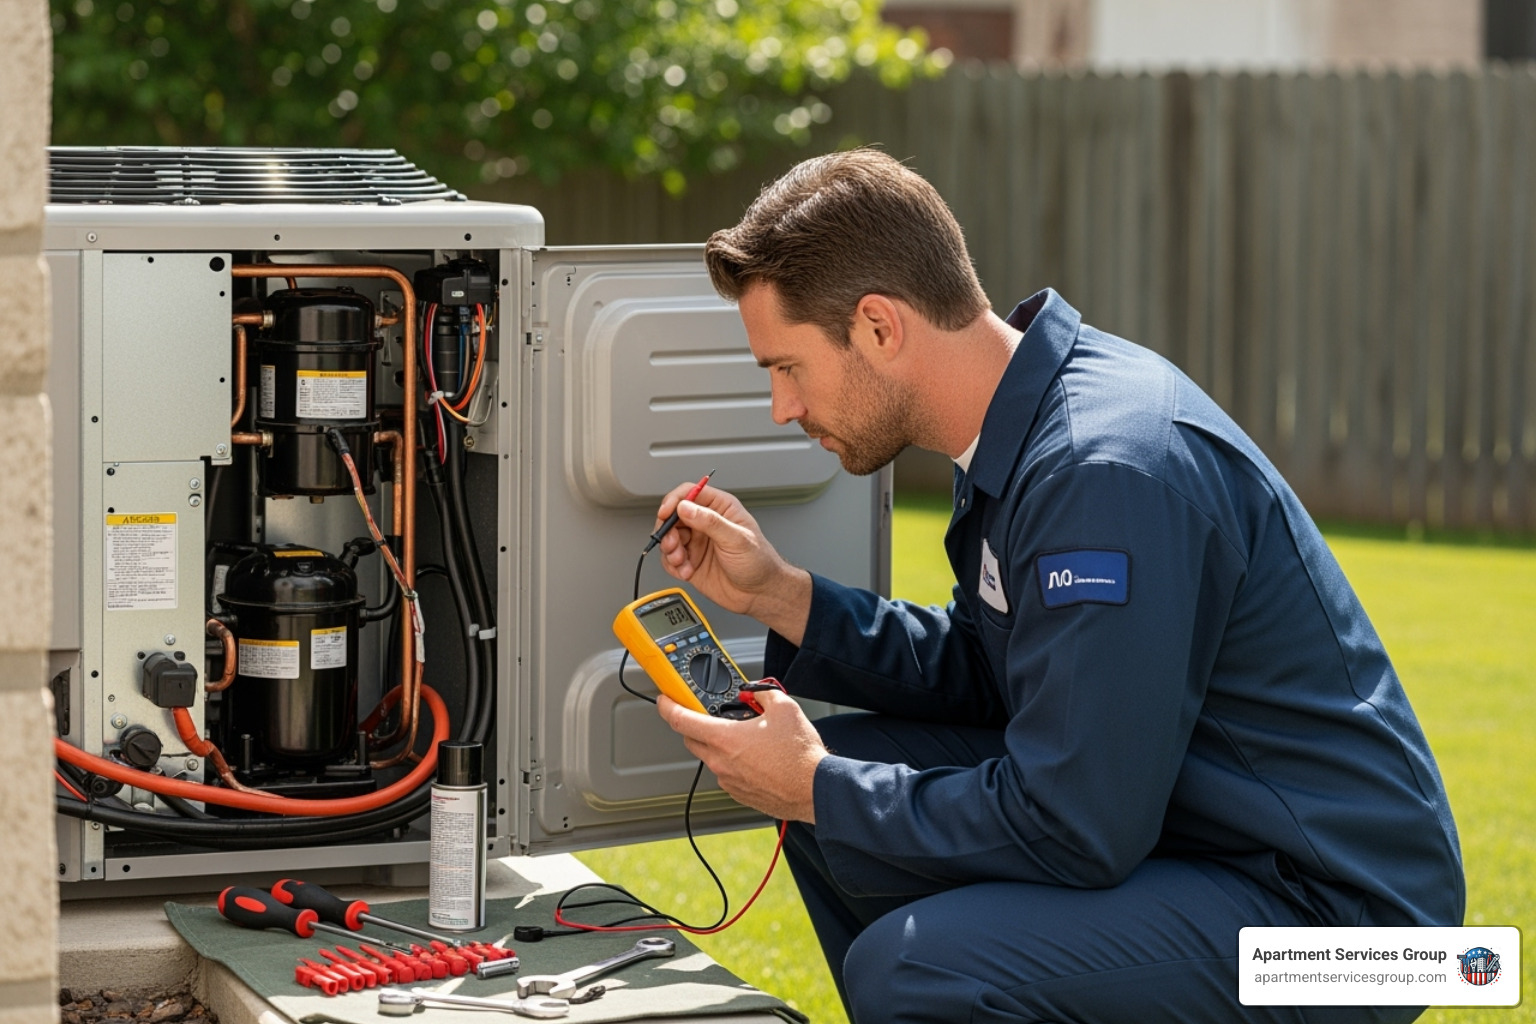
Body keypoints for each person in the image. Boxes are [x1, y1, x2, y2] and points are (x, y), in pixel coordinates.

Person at [650, 148, 1463, 1024]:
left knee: (913, 963)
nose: (782, 406)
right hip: (1211, 840)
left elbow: (1079, 824)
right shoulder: (1025, 420)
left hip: (1354, 934)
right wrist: (781, 594)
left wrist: (816, 784)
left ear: (879, 327)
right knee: (847, 786)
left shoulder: (1097, 472)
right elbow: (994, 668)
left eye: (787, 367)